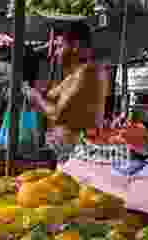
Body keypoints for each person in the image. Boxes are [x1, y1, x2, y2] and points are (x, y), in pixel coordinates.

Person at [25, 22, 107, 161]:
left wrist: (37, 98)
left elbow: (58, 114)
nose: (57, 53)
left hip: (78, 155)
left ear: (75, 46)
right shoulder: (74, 75)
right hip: (65, 152)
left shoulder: (89, 72)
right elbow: (50, 99)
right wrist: (38, 95)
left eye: (60, 46)